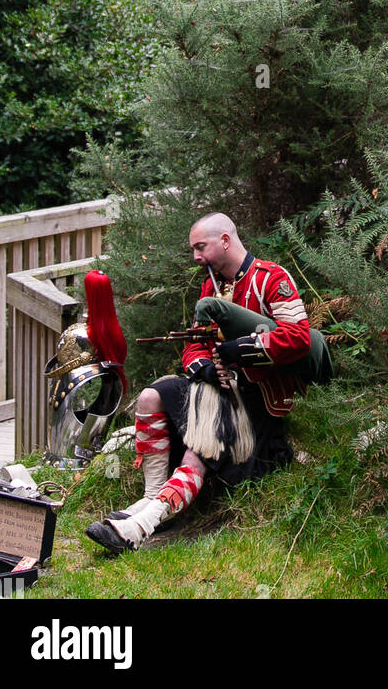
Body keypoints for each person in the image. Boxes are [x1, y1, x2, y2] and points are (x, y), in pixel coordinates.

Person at [85, 212, 315, 556]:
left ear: (225, 240)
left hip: (258, 401)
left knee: (201, 442)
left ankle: (141, 526)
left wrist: (242, 350)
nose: (195, 256)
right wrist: (205, 368)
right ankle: (151, 496)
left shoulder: (271, 278)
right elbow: (194, 344)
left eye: (200, 247)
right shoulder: (211, 286)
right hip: (215, 390)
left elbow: (299, 338)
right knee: (149, 397)